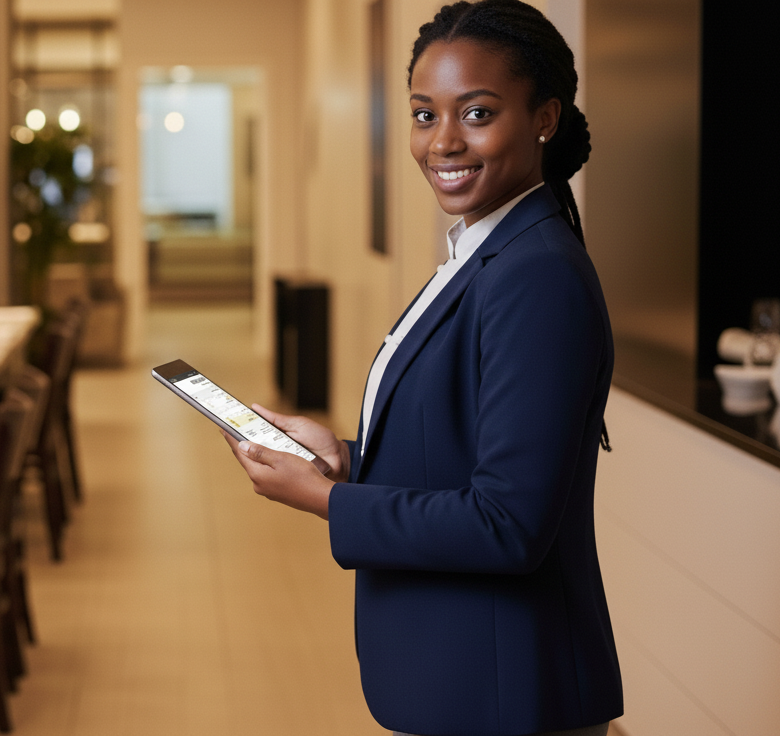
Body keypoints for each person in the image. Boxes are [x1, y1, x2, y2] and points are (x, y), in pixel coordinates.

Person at [222, 2, 623, 735]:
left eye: (476, 113)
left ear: (545, 118)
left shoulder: (536, 275)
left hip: (505, 693)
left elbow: (508, 523)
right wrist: (346, 459)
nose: (442, 142)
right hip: (467, 677)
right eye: (422, 113)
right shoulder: (485, 250)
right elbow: (462, 453)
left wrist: (325, 502)